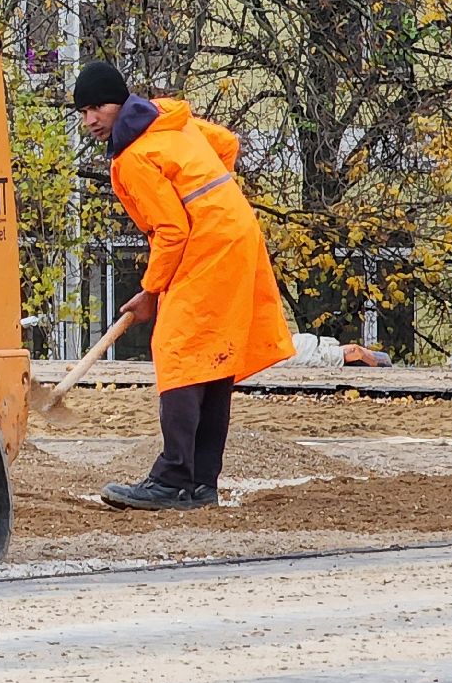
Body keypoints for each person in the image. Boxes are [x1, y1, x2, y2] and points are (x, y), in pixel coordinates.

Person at [72, 61, 293, 511]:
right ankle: (201, 483)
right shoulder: (169, 121)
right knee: (213, 358)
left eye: (97, 107)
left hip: (207, 245)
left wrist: (151, 291)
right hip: (236, 235)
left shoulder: (135, 156)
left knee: (178, 352)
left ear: (119, 103)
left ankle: (173, 478)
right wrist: (212, 198)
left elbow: (171, 230)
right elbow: (227, 144)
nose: (90, 120)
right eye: (82, 111)